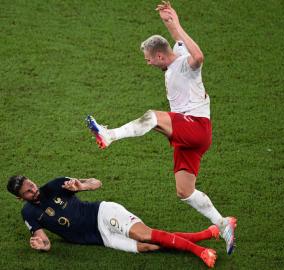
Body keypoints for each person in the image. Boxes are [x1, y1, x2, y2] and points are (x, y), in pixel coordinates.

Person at [85, 1, 237, 255]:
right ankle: (223, 224)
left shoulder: (186, 64)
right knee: (184, 191)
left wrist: (176, 24)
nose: (147, 64)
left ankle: (109, 135)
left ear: (159, 56)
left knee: (154, 117)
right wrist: (170, 18)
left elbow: (198, 57)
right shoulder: (175, 52)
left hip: (196, 126)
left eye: (148, 60)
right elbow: (176, 38)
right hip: (189, 136)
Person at [6, 175, 219, 268]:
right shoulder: (29, 213)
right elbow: (45, 241)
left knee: (142, 234)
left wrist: (82, 186)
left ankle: (199, 251)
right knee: (148, 245)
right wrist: (41, 246)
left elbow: (96, 182)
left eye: (32, 185)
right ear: (19, 197)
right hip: (100, 238)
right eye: (28, 191)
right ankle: (205, 234)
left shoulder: (54, 186)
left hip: (103, 213)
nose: (34, 191)